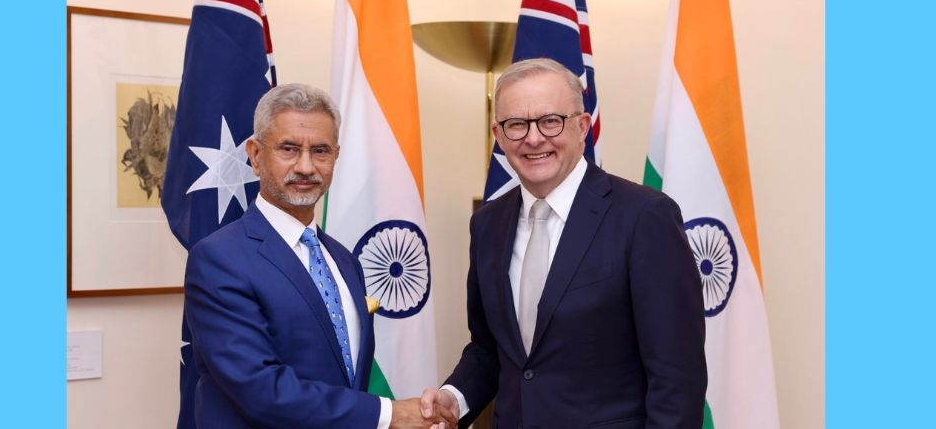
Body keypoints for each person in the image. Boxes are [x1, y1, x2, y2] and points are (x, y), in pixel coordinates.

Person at [420, 58, 707, 428]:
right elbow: (489, 349)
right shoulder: (487, 224)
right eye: (517, 124)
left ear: (582, 126)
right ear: (499, 135)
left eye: (550, 121)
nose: (534, 138)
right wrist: (453, 400)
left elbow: (676, 379)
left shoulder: (644, 217)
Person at [184, 83, 456, 429]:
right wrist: (390, 414)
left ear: (335, 156)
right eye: (288, 149)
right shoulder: (219, 259)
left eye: (321, 151)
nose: (306, 166)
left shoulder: (344, 261)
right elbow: (261, 391)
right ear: (254, 155)